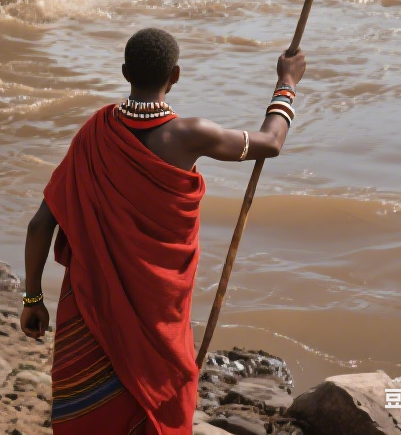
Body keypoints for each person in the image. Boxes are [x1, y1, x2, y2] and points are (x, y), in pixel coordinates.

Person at [20, 28, 307, 435]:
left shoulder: (93, 133)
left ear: (124, 72)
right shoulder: (189, 136)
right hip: (158, 319)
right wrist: (287, 83)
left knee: (90, 410)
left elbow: (39, 225)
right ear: (175, 75)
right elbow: (271, 142)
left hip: (91, 307)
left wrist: (33, 298)